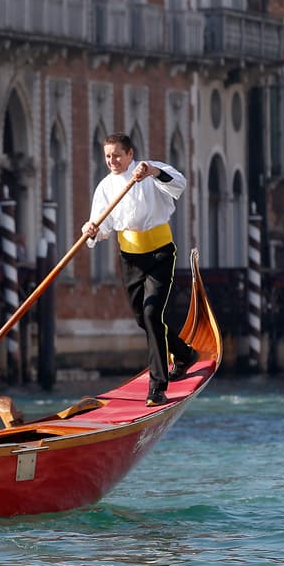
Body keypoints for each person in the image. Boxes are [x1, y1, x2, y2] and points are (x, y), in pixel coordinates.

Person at [82, 133, 198, 407]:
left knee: (151, 313)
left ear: (130, 154)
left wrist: (153, 172)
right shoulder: (105, 188)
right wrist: (90, 229)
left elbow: (179, 183)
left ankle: (157, 387)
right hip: (130, 258)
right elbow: (101, 228)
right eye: (108, 156)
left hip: (160, 253)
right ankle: (183, 354)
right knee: (142, 319)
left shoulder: (150, 171)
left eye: (117, 155)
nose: (112, 161)